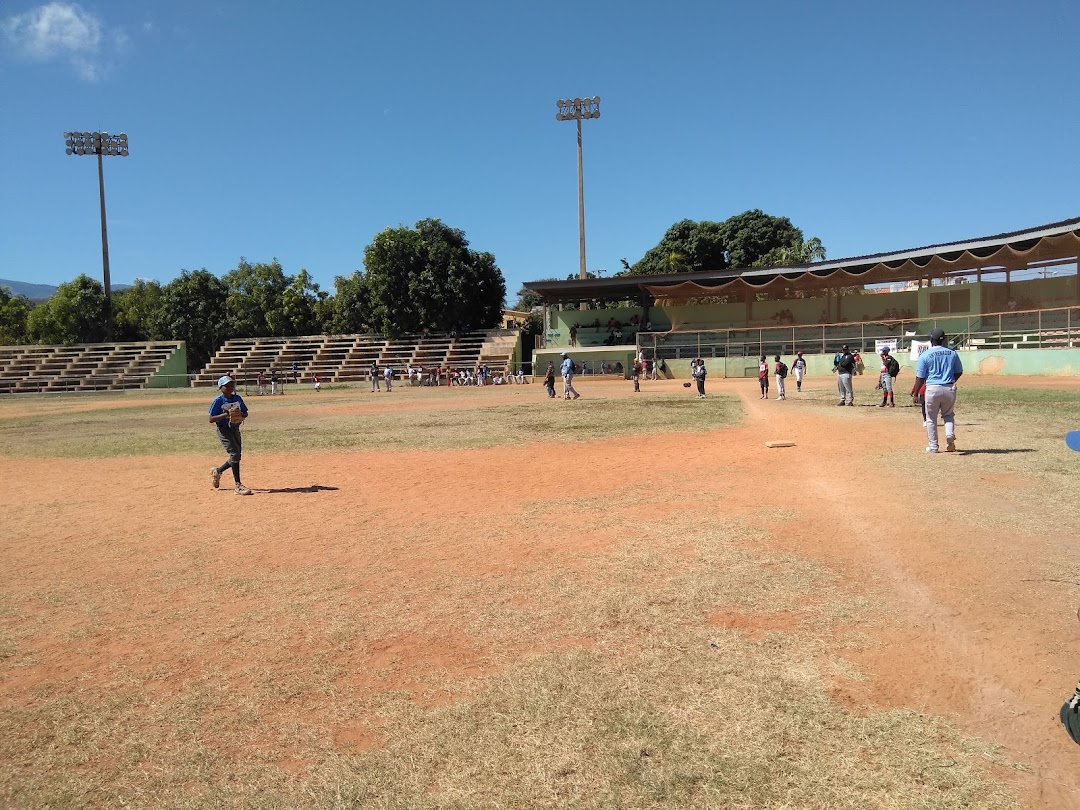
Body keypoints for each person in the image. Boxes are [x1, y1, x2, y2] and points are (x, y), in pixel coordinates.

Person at [912, 328, 963, 453]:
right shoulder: (952, 353)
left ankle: (933, 447)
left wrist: (916, 393)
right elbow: (959, 371)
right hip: (949, 387)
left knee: (931, 419)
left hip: (932, 389)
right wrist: (950, 380)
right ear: (944, 339)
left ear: (931, 340)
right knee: (948, 415)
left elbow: (920, 377)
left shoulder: (925, 355)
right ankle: (949, 435)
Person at [208, 375, 252, 496]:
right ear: (220, 388)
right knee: (235, 454)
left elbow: (245, 412)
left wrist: (241, 414)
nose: (230, 387)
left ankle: (218, 471)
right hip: (223, 429)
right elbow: (211, 419)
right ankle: (238, 485)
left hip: (235, 427)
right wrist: (226, 414)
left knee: (236, 456)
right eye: (226, 386)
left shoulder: (237, 398)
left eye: (231, 385)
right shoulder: (219, 401)